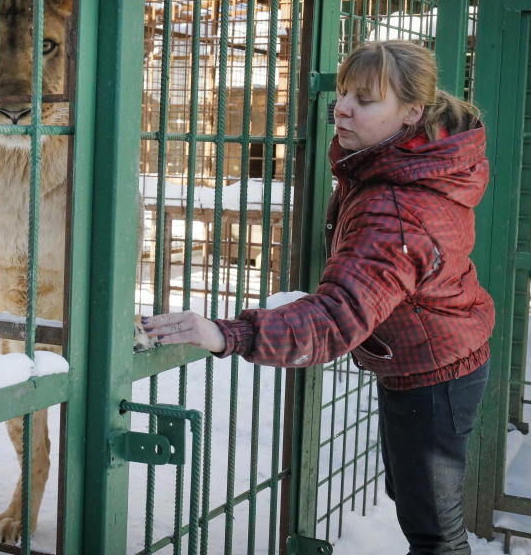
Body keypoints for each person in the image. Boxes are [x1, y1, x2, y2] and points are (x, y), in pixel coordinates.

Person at [143, 40, 495, 555]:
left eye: (366, 100)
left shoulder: (396, 207)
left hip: (437, 372)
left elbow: (337, 316)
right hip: (431, 356)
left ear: (412, 112)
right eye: (345, 92)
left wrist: (225, 332)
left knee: (434, 532)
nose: (343, 107)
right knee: (413, 499)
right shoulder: (405, 163)